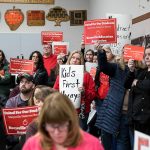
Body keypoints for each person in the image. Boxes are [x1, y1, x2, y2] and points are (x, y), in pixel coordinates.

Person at [23, 92, 104, 150]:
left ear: (71, 122)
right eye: (51, 126)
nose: (56, 132)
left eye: (61, 125)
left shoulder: (92, 144)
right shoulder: (33, 144)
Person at [96, 45, 130, 150]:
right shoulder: (117, 67)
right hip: (112, 110)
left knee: (122, 140)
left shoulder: (140, 71)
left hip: (127, 113)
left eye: (129, 52)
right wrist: (101, 52)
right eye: (124, 52)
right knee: (107, 137)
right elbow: (103, 66)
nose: (127, 55)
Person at [53, 50, 96, 131]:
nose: (75, 60)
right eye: (73, 57)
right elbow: (55, 90)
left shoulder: (87, 76)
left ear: (81, 61)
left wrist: (84, 91)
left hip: (81, 113)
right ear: (69, 59)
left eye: (78, 58)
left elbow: (93, 94)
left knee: (80, 139)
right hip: (64, 110)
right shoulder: (62, 73)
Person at [124, 45, 150, 147]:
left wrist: (137, 83)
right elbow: (126, 84)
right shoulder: (141, 72)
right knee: (141, 148)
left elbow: (147, 86)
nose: (147, 57)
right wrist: (131, 71)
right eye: (146, 55)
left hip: (148, 120)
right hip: (138, 120)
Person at [5, 73, 35, 150]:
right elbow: (8, 130)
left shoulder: (36, 102)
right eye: (21, 82)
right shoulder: (11, 102)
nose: (23, 84)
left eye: (27, 82)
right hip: (16, 141)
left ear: (33, 85)